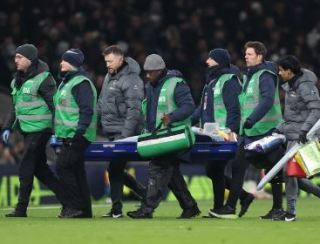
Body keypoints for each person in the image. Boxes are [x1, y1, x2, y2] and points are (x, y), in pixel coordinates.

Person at [212, 41, 285, 219]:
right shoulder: (250, 75)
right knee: (239, 166)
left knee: (273, 169)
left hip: (267, 130)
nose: (246, 56)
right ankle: (231, 207)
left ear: (259, 56)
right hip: (250, 132)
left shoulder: (265, 75)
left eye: (250, 54)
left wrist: (252, 119)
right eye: (245, 54)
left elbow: (267, 101)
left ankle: (277, 208)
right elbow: (245, 104)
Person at [127, 54, 200, 219]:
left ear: (160, 71)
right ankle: (190, 206)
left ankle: (147, 208)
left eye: (150, 72)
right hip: (159, 137)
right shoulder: (151, 85)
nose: (147, 76)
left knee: (157, 168)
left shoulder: (177, 84)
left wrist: (172, 117)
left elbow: (189, 106)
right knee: (171, 173)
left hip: (174, 137)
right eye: (146, 72)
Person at [1, 44, 67, 217]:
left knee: (25, 167)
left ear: (29, 59)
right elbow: (15, 108)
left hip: (41, 130)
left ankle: (21, 209)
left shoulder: (44, 78)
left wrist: (57, 130)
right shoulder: (17, 80)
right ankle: (70, 201)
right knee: (41, 170)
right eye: (15, 57)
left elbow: (55, 106)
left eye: (19, 57)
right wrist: (7, 127)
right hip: (27, 131)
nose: (15, 60)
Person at [191, 48, 255, 218]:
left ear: (218, 61)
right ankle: (239, 198)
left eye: (210, 59)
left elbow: (234, 109)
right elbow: (201, 108)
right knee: (213, 170)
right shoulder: (211, 82)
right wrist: (187, 122)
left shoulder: (229, 81)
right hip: (211, 134)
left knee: (215, 169)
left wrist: (231, 131)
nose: (207, 62)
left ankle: (224, 205)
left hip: (224, 134)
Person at [97, 45, 146, 218]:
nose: (107, 65)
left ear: (120, 59)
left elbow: (134, 110)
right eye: (105, 61)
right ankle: (143, 196)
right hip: (111, 131)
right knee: (114, 169)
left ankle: (118, 208)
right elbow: (101, 104)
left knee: (114, 168)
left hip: (124, 133)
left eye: (110, 61)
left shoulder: (132, 79)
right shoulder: (108, 77)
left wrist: (125, 137)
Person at [275, 55, 320, 221]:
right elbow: (292, 116)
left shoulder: (305, 86)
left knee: (290, 173)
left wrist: (305, 131)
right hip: (293, 134)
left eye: (281, 70)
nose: (279, 73)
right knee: (293, 175)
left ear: (289, 71)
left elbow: (316, 110)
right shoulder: (291, 86)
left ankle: (291, 213)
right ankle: (291, 211)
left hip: (303, 137)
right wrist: (278, 128)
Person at [54, 48, 97, 218]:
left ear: (72, 63)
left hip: (77, 135)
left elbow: (87, 110)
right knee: (77, 170)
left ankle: (73, 206)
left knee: (62, 166)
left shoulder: (80, 83)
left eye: (64, 60)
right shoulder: (67, 82)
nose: (61, 63)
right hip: (70, 134)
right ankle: (84, 210)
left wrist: (80, 131)